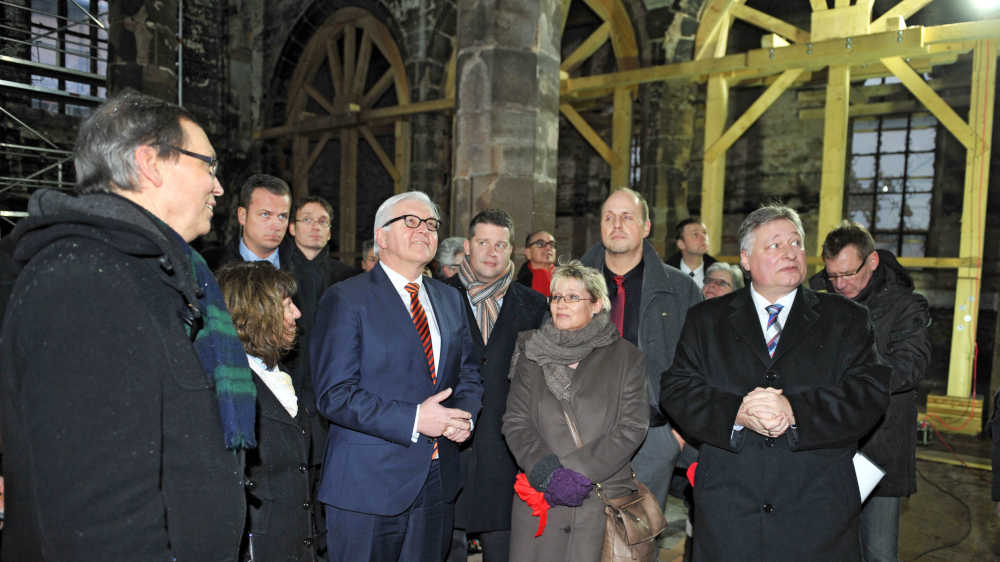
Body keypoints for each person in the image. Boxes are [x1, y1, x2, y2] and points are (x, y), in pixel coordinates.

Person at [0, 90, 251, 559]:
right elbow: (98, 520)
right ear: (150, 163)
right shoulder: (85, 283)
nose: (218, 187)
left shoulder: (141, 273)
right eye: (208, 166)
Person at [661, 204, 890, 561]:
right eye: (775, 245)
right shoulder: (706, 319)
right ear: (746, 259)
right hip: (728, 512)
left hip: (817, 513)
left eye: (796, 243)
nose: (790, 252)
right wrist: (735, 413)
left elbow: (869, 393)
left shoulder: (846, 319)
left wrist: (795, 410)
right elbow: (677, 388)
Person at [310, 191, 484, 562]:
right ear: (382, 237)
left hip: (437, 480)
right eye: (411, 221)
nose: (425, 230)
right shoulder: (347, 298)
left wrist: (464, 416)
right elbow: (334, 395)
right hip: (367, 485)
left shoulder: (450, 299)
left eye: (431, 224)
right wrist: (415, 419)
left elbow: (469, 371)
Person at [502, 261, 649, 562]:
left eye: (572, 297)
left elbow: (632, 427)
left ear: (596, 304)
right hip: (541, 499)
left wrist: (576, 472)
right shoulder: (530, 350)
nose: (561, 304)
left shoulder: (626, 358)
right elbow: (516, 422)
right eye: (556, 297)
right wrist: (549, 473)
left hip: (599, 500)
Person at [810, 220, 931, 562]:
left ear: (873, 261)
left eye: (849, 273)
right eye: (833, 275)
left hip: (878, 450)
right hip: (826, 446)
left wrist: (850, 374)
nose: (840, 284)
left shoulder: (906, 306)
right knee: (827, 547)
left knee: (877, 551)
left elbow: (910, 366)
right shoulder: (819, 301)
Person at [580, 187, 701, 509]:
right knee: (579, 533)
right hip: (581, 437)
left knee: (638, 534)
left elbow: (700, 366)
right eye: (609, 218)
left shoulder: (680, 290)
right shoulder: (571, 285)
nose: (617, 225)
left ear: (646, 227)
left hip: (653, 438)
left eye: (627, 217)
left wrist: (676, 436)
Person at [446, 209, 548, 562]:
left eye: (500, 245)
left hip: (506, 453)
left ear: (512, 250)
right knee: (446, 547)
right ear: (467, 246)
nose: (492, 252)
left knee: (504, 550)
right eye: (483, 243)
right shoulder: (438, 296)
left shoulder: (534, 305)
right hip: (450, 449)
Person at [217, 261, 324, 561]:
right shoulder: (225, 386)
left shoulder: (282, 374)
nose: (297, 314)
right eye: (287, 306)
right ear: (257, 314)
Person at [287, 195, 359, 335]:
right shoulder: (278, 271)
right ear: (292, 228)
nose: (316, 227)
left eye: (322, 221)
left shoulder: (348, 278)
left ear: (329, 233)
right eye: (307, 220)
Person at [204, 174, 295, 271]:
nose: (276, 226)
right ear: (242, 216)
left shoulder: (302, 265)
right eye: (265, 214)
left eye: (282, 216)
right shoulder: (209, 265)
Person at [664, 218, 717, 288]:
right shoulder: (665, 273)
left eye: (704, 233)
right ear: (681, 244)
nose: (704, 238)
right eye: (695, 234)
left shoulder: (717, 271)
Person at [516, 230, 557, 296]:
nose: (548, 248)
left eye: (552, 244)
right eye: (540, 244)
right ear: (528, 253)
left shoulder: (568, 279)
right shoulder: (518, 288)